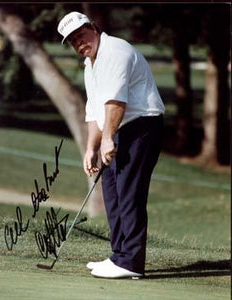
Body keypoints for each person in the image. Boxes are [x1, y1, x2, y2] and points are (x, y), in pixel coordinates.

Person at [57, 11, 165, 279]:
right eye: (72, 41)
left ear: (93, 27)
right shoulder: (90, 63)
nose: (79, 43)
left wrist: (108, 139)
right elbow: (94, 109)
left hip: (142, 127)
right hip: (120, 129)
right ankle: (119, 255)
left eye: (81, 35)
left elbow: (116, 102)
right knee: (112, 192)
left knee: (129, 193)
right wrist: (92, 147)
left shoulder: (115, 51)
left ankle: (131, 262)